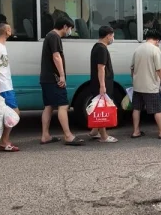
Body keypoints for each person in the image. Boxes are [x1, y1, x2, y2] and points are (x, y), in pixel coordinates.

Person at [39, 17, 84, 146]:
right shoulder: (55, 37)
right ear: (65, 26)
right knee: (63, 105)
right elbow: (56, 56)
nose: (69, 31)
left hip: (46, 78)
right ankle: (68, 136)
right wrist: (62, 75)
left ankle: (45, 135)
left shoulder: (49, 35)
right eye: (70, 28)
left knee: (48, 106)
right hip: (54, 78)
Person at [131, 29, 161, 140]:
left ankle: (136, 131)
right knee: (157, 109)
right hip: (151, 86)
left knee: (136, 108)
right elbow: (159, 69)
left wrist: (135, 79)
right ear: (157, 40)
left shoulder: (137, 49)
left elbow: (132, 68)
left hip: (137, 86)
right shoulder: (155, 50)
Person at [0, 23, 20, 152]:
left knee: (2, 115)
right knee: (14, 113)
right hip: (3, 87)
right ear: (7, 31)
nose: (11, 31)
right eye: (10, 29)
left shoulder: (1, 46)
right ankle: (3, 141)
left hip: (5, 84)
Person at [89, 26, 117, 143]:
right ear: (108, 36)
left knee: (98, 107)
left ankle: (94, 131)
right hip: (102, 83)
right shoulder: (102, 49)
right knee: (102, 110)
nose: (113, 39)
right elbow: (101, 68)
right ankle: (104, 136)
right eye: (112, 36)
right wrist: (102, 85)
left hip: (98, 82)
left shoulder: (97, 46)